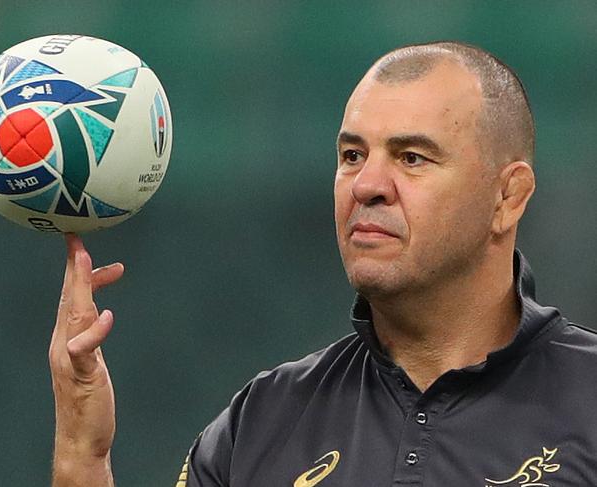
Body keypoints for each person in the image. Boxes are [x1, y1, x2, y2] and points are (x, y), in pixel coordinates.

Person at [49, 41, 597, 487]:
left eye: (412, 158)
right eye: (352, 155)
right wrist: (82, 452)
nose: (367, 186)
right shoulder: (262, 420)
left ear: (508, 197)